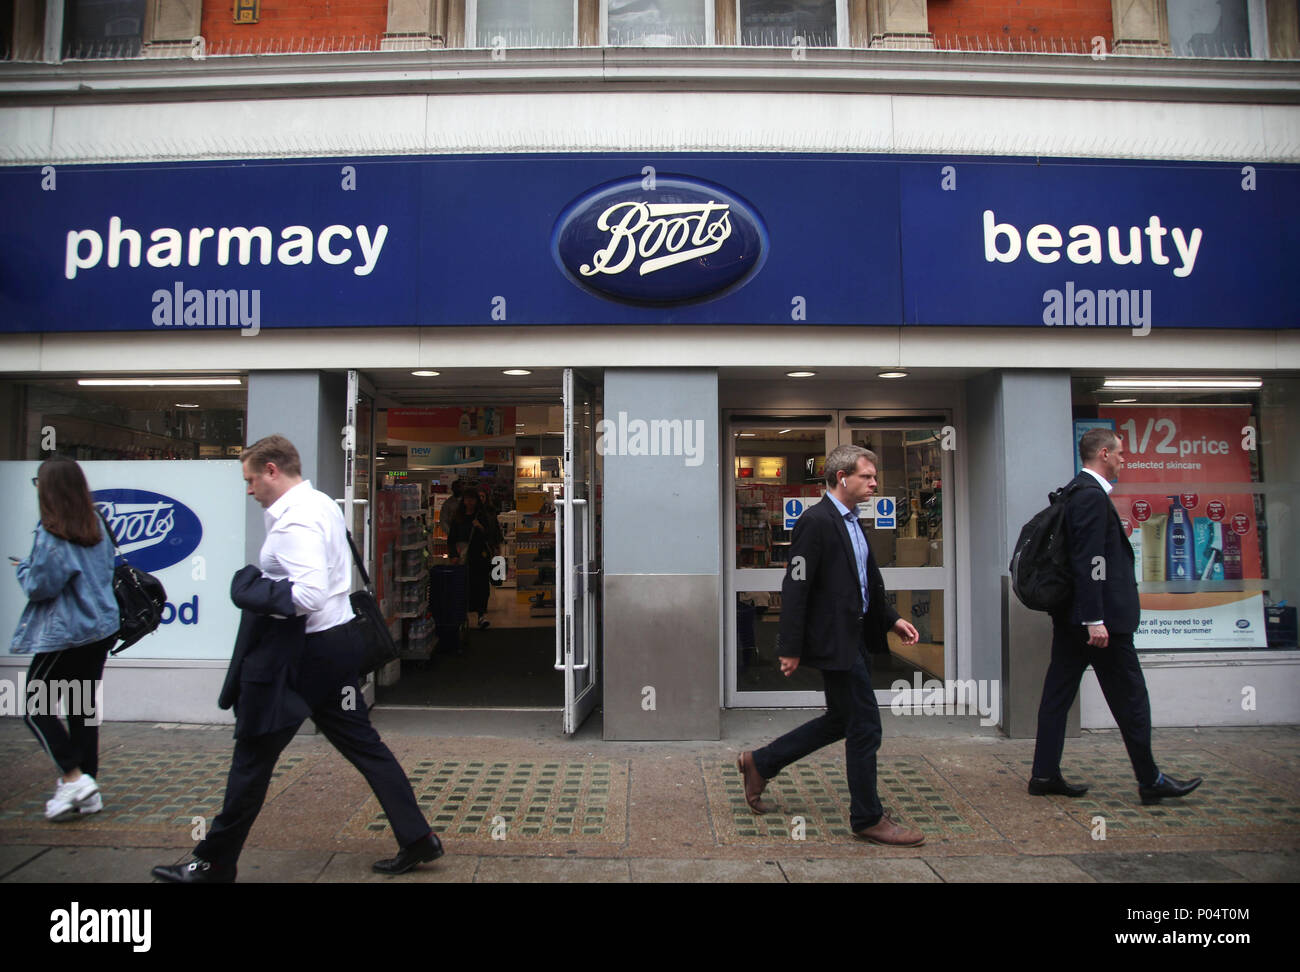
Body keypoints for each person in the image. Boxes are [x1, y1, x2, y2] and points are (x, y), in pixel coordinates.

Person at [152, 434, 442, 883]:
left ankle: (212, 862)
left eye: (251, 479)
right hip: (335, 644)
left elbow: (307, 594)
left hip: (304, 653)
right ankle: (418, 837)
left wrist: (247, 587)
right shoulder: (320, 503)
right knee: (363, 744)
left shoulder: (295, 521)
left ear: (272, 470)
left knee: (254, 755)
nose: (248, 490)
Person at [737, 444, 926, 847]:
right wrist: (789, 646)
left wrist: (892, 619)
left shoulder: (855, 522)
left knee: (842, 720)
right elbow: (797, 584)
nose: (875, 483)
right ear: (842, 478)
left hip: (856, 637)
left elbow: (866, 582)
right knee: (865, 726)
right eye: (867, 476)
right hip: (835, 641)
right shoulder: (816, 522)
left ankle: (761, 762)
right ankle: (867, 817)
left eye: (874, 477)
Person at [1029, 427, 1202, 804]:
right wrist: (1094, 618)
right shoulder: (1090, 496)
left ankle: (1043, 774)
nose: (1124, 459)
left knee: (1058, 695)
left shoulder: (1075, 491)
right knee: (1131, 699)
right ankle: (1150, 780)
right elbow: (1090, 560)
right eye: (1120, 453)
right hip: (1099, 623)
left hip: (1075, 619)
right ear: (1103, 454)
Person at [10, 457, 119, 821]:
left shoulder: (52, 532)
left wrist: (23, 568)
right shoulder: (97, 522)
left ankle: (73, 778)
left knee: (34, 708)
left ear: (49, 489)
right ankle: (88, 788)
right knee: (81, 708)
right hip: (100, 630)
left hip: (66, 633)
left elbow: (39, 586)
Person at [447, 487, 502, 630]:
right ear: (463, 501)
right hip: (462, 557)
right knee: (463, 586)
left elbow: (491, 535)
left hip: (480, 556)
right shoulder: (458, 517)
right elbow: (452, 538)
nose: (470, 502)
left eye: (473, 499)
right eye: (467, 499)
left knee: (481, 586)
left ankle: (481, 615)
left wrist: (481, 528)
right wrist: (453, 555)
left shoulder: (482, 516)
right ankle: (463, 616)